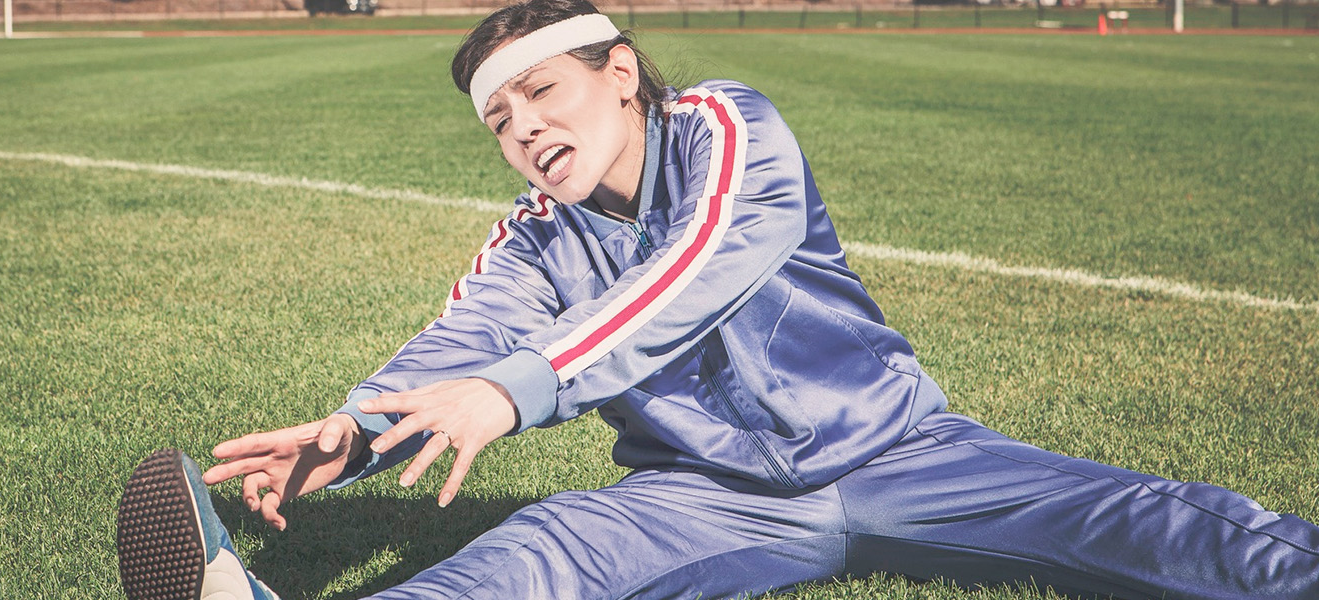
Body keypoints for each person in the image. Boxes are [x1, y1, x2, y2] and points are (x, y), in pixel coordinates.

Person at [113, 1, 1319, 598]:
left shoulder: (723, 127)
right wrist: (356, 435)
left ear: (619, 75)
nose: (525, 130)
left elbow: (701, 266)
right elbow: (462, 341)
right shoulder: (531, 238)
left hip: (903, 450)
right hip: (704, 496)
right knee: (537, 552)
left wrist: (519, 389)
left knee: (1146, 520)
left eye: (542, 93)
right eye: (500, 119)